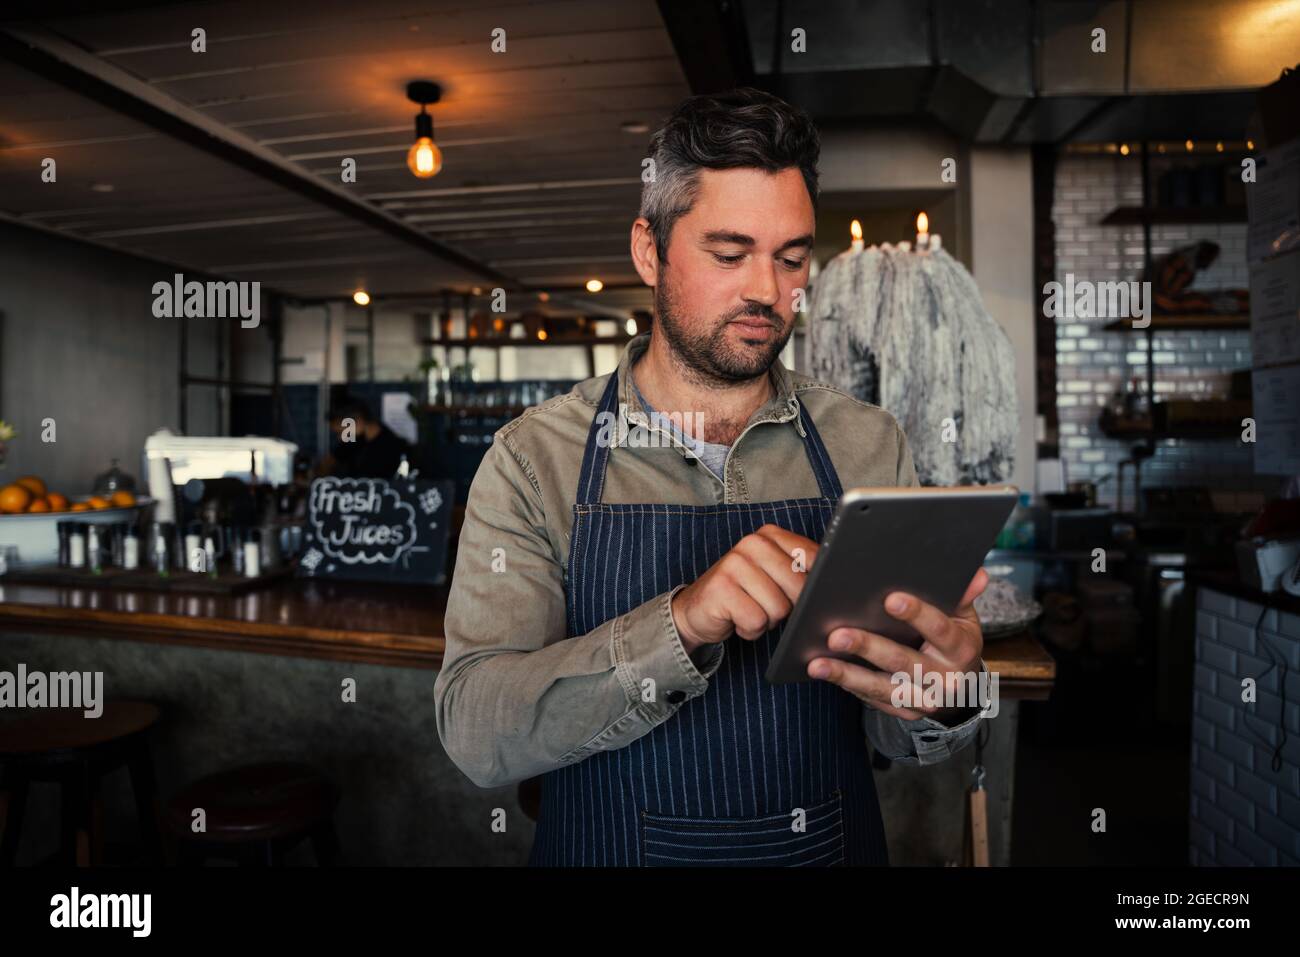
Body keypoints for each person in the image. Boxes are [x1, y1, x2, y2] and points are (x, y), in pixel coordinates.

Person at [434, 88, 989, 867]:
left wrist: (942, 697)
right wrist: (683, 623)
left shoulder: (867, 444)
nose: (768, 289)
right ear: (648, 249)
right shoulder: (536, 460)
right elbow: (475, 731)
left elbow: (896, 728)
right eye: (729, 254)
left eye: (792, 257)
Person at [323, 396, 411, 479]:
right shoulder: (351, 443)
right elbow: (328, 463)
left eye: (341, 431)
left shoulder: (392, 447)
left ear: (358, 420)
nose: (340, 437)